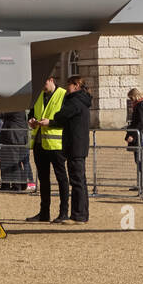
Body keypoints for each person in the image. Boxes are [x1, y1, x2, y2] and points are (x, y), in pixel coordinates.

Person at [50, 75, 93, 223]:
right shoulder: (81, 101)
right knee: (80, 181)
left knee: (77, 181)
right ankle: (82, 214)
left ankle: (78, 215)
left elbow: (61, 115)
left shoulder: (75, 101)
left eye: (69, 84)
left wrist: (55, 117)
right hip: (78, 145)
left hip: (75, 145)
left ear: (76, 86)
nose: (67, 87)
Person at [27, 74, 68, 223]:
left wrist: (50, 122)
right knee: (43, 180)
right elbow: (32, 113)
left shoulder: (63, 95)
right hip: (39, 144)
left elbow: (67, 119)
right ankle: (44, 213)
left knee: (61, 178)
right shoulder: (39, 95)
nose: (42, 87)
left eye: (44, 83)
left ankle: (64, 213)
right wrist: (31, 121)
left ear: (51, 80)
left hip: (55, 145)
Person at [125, 87, 143, 188]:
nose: (131, 101)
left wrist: (132, 135)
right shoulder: (140, 105)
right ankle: (141, 182)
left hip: (140, 135)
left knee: (141, 160)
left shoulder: (141, 106)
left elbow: (140, 123)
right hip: (139, 134)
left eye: (131, 99)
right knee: (139, 160)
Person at [0, 110, 32, 191]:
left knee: (12, 162)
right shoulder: (19, 106)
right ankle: (17, 184)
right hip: (18, 136)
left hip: (13, 137)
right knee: (14, 162)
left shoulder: (15, 106)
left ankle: (16, 185)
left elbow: (1, 113)